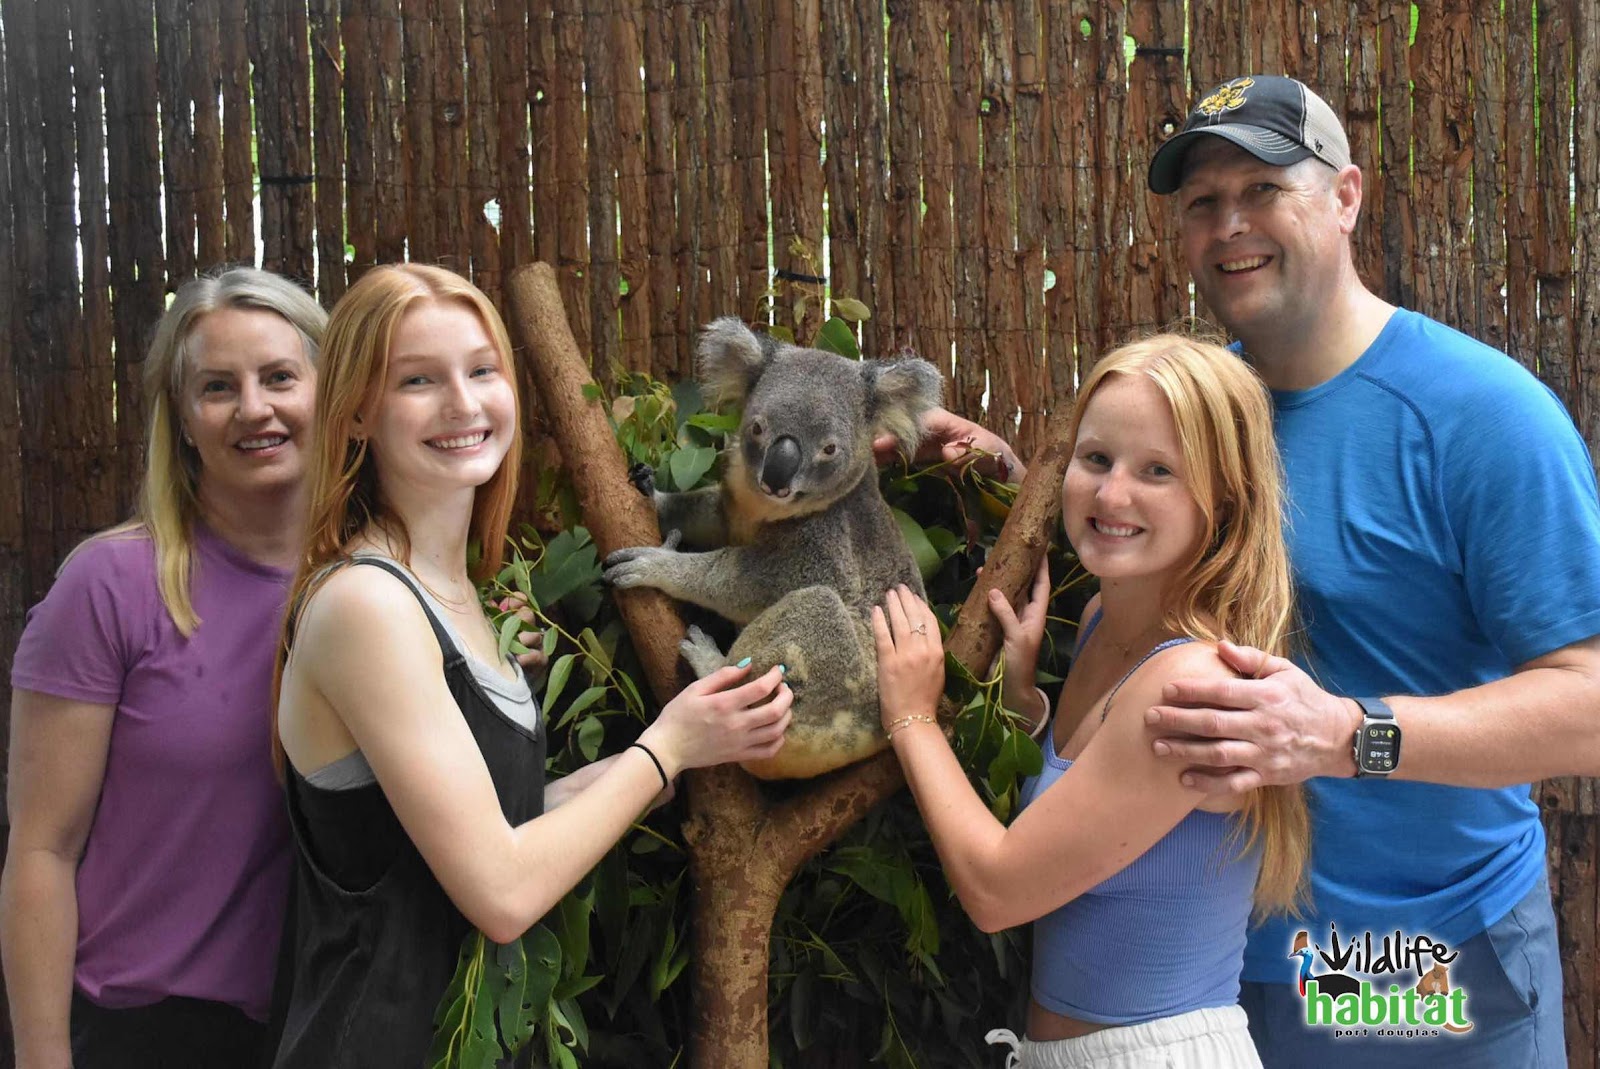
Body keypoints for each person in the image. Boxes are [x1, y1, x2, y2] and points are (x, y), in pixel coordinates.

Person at [914, 74, 1600, 1066]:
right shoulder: (1199, 405)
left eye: (1264, 189)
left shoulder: (1482, 417)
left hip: (1412, 957)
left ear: (1346, 197)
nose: (1229, 224)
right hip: (1216, 970)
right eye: (1202, 202)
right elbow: (1155, 569)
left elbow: (1589, 705)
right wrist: (1011, 491)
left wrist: (1346, 733)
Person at [267, 263, 793, 1066]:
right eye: (418, 380)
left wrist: (653, 761)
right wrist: (668, 748)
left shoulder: (455, 593)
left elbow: (478, 829)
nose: (463, 402)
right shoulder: (367, 605)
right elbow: (503, 889)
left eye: (482, 370)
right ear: (358, 411)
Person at [874, 334, 1308, 1068]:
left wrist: (911, 715)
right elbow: (1094, 808)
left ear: (1225, 497)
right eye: (1097, 458)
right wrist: (1026, 705)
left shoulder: (1191, 682)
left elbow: (996, 890)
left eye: (1158, 471)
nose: (1111, 496)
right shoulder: (1107, 619)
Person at [0, 267, 328, 1068]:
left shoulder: (376, 585)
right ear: (181, 418)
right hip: (141, 1028)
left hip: (321, 1023)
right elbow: (42, 849)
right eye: (217, 387)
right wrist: (43, 1056)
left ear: (331, 389)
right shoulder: (110, 586)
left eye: (280, 377)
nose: (254, 408)